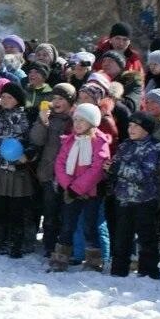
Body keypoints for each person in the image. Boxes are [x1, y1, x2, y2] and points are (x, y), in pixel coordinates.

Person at [50, 102, 111, 272]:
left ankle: (93, 260)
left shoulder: (99, 141)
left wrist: (77, 188)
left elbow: (97, 168)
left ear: (92, 123)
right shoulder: (70, 139)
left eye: (82, 121)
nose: (77, 124)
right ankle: (60, 258)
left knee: (90, 225)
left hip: (91, 192)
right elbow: (60, 163)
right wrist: (68, 186)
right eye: (75, 119)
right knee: (67, 224)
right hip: (70, 191)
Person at [0, 81, 35, 258]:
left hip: (16, 169)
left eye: (9, 97)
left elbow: (32, 141)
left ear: (17, 100)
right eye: (2, 96)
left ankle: (16, 243)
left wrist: (26, 155)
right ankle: (1, 241)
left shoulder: (25, 117)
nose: (4, 100)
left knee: (16, 210)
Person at [106, 112, 160, 279]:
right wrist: (110, 167)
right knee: (121, 237)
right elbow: (116, 163)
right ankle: (118, 271)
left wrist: (118, 169)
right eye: (130, 125)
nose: (130, 129)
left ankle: (149, 272)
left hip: (144, 200)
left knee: (147, 238)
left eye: (135, 126)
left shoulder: (155, 147)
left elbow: (144, 175)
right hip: (123, 199)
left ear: (146, 130)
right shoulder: (126, 145)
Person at [29, 83, 76, 257]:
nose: (56, 102)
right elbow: (37, 140)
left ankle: (64, 246)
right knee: (49, 212)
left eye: (61, 99)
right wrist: (43, 121)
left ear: (70, 101)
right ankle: (49, 247)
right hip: (48, 173)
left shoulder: (75, 119)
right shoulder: (48, 117)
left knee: (66, 214)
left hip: (70, 176)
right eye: (54, 98)